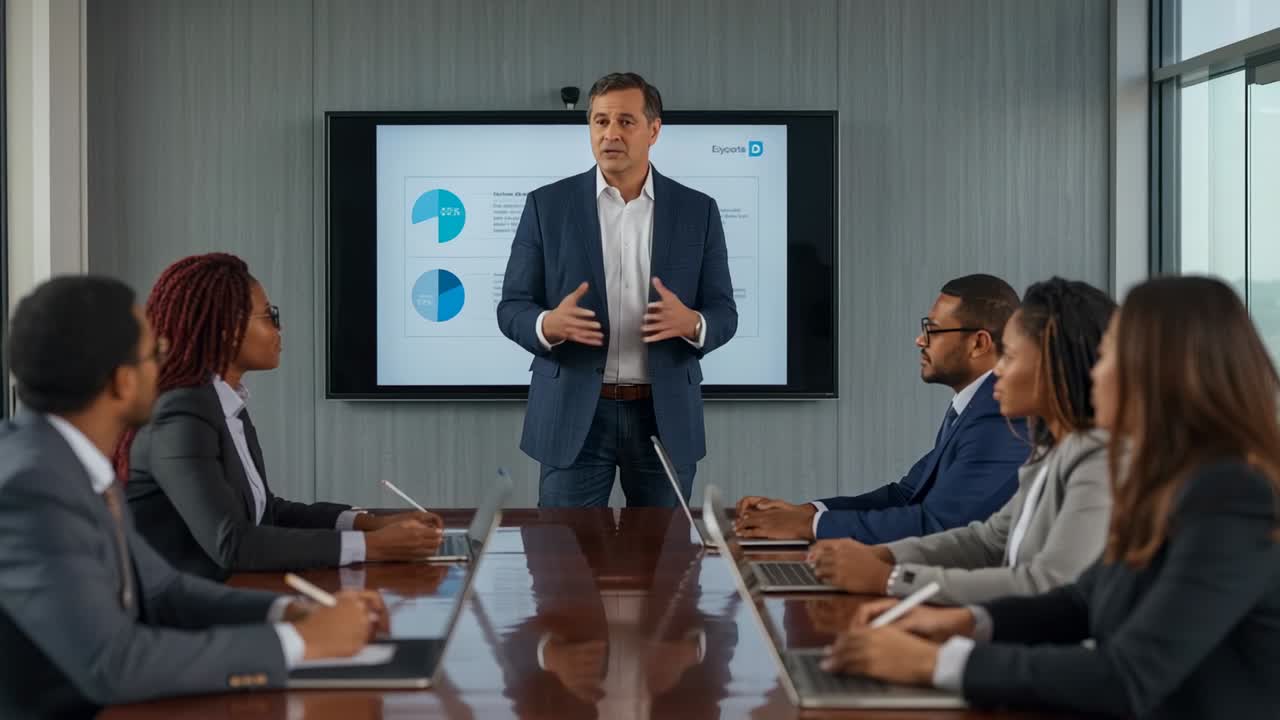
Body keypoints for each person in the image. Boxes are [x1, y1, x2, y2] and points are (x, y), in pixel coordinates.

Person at [827, 276, 1280, 719]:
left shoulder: (1232, 496)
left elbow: (1128, 674)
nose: (1094, 371)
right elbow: (1081, 600)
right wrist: (965, 623)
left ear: (1157, 373)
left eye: (1108, 356)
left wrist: (937, 663)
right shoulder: (1167, 480)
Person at [0, 275, 387, 717]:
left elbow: (164, 591)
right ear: (123, 382)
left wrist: (291, 612)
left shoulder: (69, 462)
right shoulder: (31, 490)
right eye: (156, 354)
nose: (166, 366)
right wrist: (300, 642)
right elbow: (114, 663)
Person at [119, 253, 442, 581]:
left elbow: (267, 513)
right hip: (184, 605)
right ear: (228, 329)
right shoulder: (180, 415)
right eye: (269, 316)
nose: (279, 328)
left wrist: (370, 523)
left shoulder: (222, 405)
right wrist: (374, 546)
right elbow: (233, 543)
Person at [497, 72, 737, 508]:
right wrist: (547, 324)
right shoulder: (546, 206)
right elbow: (512, 306)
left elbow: (723, 311)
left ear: (654, 130)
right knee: (562, 549)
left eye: (626, 121)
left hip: (663, 415)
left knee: (664, 550)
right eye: (600, 121)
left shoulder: (698, 210)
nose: (610, 134)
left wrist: (693, 323)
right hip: (573, 414)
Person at [808, 278, 1116, 604]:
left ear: (1054, 367)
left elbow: (1049, 584)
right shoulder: (1049, 449)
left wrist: (890, 577)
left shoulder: (1096, 458)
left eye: (1009, 356)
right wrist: (884, 556)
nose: (998, 370)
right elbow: (988, 540)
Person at [735, 275, 1026, 543]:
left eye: (933, 330)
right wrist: (807, 512)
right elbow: (905, 495)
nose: (920, 340)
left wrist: (809, 526)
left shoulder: (1001, 417)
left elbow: (938, 526)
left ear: (978, 343)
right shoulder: (974, 406)